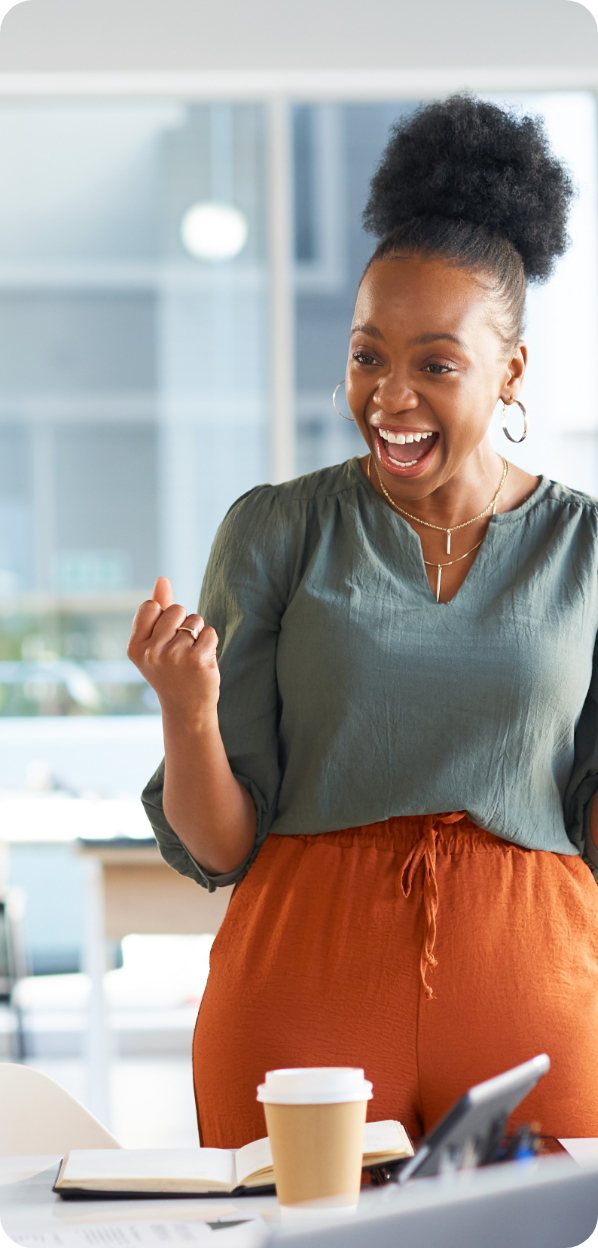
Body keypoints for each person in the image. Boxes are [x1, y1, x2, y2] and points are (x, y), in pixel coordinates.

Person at [129, 94, 598, 1149]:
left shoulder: (587, 551)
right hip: (302, 989)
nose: (391, 396)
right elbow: (218, 844)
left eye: (435, 363)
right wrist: (188, 713)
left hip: (540, 992)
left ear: (509, 371)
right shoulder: (275, 529)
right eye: (365, 355)